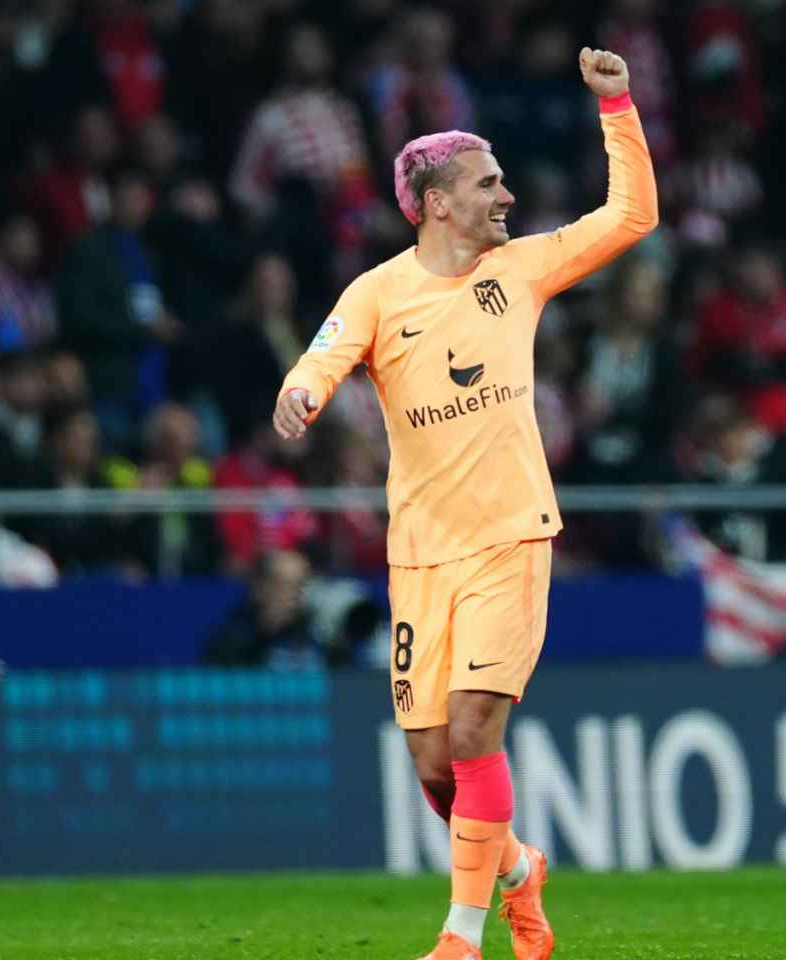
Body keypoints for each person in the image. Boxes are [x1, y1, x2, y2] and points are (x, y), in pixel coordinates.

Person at [273, 47, 656, 960]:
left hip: (509, 539)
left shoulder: (521, 270)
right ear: (436, 202)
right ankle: (520, 870)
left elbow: (633, 214)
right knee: (437, 769)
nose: (507, 198)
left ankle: (460, 935)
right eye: (488, 185)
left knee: (481, 726)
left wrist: (618, 107)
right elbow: (324, 353)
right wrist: (301, 390)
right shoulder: (378, 291)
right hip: (419, 557)